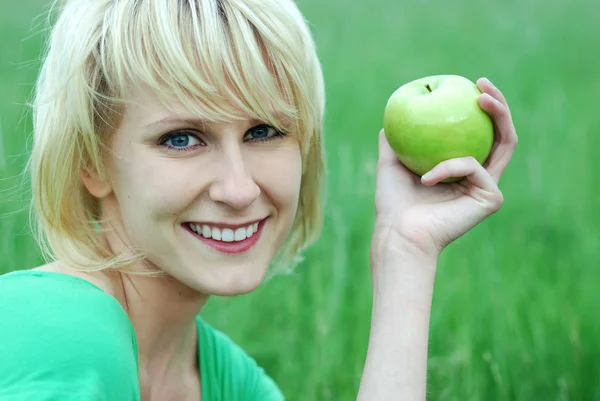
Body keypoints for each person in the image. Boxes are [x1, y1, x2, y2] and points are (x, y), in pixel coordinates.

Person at [0, 0, 518, 400]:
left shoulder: (233, 383)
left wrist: (406, 251)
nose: (239, 188)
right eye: (182, 138)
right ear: (92, 160)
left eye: (264, 131)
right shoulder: (54, 334)